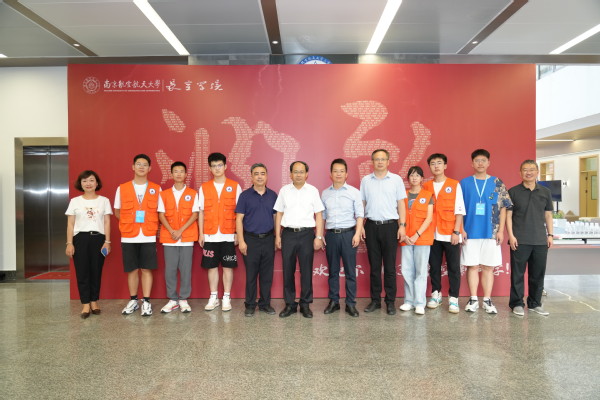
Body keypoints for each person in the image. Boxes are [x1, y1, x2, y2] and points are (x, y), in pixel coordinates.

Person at [460, 149, 512, 314]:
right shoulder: (464, 183)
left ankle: (487, 300)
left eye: (483, 160)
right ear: (472, 163)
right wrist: (461, 229)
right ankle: (473, 299)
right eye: (477, 160)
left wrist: (501, 231)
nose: (480, 163)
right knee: (472, 266)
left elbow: (504, 207)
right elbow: (458, 208)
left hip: (491, 232)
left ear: (489, 162)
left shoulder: (497, 182)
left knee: (488, 267)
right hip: (470, 231)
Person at [274, 161, 325, 318]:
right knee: (288, 270)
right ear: (290, 174)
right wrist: (278, 235)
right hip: (288, 234)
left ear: (307, 174)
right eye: (295, 172)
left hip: (306, 234)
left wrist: (319, 236)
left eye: (301, 172)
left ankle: (305, 304)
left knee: (306, 270)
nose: (298, 174)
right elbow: (279, 213)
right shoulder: (284, 190)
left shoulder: (313, 191)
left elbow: (319, 214)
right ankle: (289, 304)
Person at [360, 149, 407, 315]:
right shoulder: (366, 180)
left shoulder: (396, 179)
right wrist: (360, 226)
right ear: (372, 162)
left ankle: (390, 301)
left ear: (388, 161)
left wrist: (402, 225)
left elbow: (401, 203)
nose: (380, 162)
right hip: (371, 226)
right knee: (374, 267)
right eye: (377, 159)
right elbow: (362, 203)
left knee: (390, 267)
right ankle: (375, 300)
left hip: (390, 227)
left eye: (383, 159)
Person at [115, 154, 161, 316]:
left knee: (146, 269)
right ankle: (133, 300)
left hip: (148, 235)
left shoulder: (156, 188)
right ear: (133, 167)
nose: (141, 167)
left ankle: (146, 301)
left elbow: (160, 212)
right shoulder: (122, 188)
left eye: (145, 164)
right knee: (132, 270)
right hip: (129, 235)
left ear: (150, 168)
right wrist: (129, 223)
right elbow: (117, 211)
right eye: (138, 164)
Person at [507, 160, 553, 316]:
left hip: (540, 240)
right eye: (525, 169)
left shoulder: (545, 192)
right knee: (517, 274)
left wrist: (550, 235)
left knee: (538, 274)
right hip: (519, 240)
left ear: (537, 172)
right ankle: (517, 303)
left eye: (532, 169)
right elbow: (508, 216)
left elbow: (548, 215)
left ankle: (535, 304)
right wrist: (511, 235)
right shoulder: (513, 192)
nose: (529, 172)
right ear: (520, 173)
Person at [65, 170, 112, 318]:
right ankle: (85, 303)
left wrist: (107, 241)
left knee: (96, 271)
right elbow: (70, 224)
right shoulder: (75, 201)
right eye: (84, 181)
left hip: (99, 239)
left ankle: (94, 301)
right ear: (80, 184)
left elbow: (107, 222)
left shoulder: (104, 201)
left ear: (97, 183)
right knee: (82, 271)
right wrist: (69, 243)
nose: (88, 183)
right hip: (80, 239)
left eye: (91, 180)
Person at [198, 152, 242, 312]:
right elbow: (201, 211)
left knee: (228, 267)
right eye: (214, 166)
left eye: (220, 165)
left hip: (228, 234)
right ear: (210, 168)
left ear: (225, 166)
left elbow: (239, 212)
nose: (217, 168)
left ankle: (226, 297)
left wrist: (237, 233)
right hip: (210, 234)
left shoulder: (235, 186)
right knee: (212, 267)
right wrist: (201, 233)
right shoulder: (204, 187)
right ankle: (213, 296)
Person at [321, 158, 364, 317]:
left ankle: (350, 303)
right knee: (333, 271)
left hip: (348, 235)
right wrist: (321, 234)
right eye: (335, 171)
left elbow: (360, 215)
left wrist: (357, 233)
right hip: (331, 235)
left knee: (350, 271)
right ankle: (334, 301)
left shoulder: (354, 192)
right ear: (330, 174)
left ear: (346, 174)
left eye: (341, 171)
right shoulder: (325, 193)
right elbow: (322, 216)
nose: (338, 174)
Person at [423, 153, 466, 313]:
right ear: (430, 167)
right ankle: (436, 294)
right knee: (434, 266)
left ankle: (453, 298)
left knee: (453, 267)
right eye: (433, 163)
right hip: (431, 234)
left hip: (450, 233)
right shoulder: (426, 186)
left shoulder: (454, 185)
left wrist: (456, 231)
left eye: (439, 163)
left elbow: (459, 210)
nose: (436, 166)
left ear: (445, 166)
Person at [235, 163, 278, 317]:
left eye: (262, 173)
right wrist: (241, 241)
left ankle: (265, 304)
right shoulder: (245, 196)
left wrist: (276, 237)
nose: (260, 176)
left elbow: (276, 218)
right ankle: (250, 304)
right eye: (256, 174)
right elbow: (239, 219)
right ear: (251, 177)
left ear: (267, 176)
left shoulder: (273, 195)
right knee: (251, 275)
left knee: (267, 275)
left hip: (268, 239)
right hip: (250, 240)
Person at [158, 161, 199, 313]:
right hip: (169, 238)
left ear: (186, 174)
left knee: (185, 270)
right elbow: (161, 215)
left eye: (182, 171)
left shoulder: (193, 194)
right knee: (170, 270)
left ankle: (183, 299)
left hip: (186, 237)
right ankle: (172, 299)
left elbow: (195, 214)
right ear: (171, 174)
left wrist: (180, 230)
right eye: (176, 171)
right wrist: (172, 231)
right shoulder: (164, 194)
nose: (179, 174)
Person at [399, 166, 434, 315]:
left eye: (417, 175)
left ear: (422, 178)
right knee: (407, 270)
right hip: (405, 238)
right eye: (412, 175)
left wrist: (416, 235)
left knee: (420, 271)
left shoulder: (428, 195)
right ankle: (409, 301)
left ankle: (419, 303)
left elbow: (429, 218)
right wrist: (405, 235)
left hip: (422, 238)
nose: (414, 178)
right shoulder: (403, 195)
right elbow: (399, 215)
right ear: (408, 178)